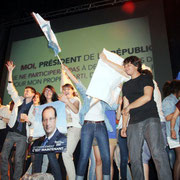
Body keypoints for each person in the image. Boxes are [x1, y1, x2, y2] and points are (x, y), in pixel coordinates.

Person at [62, 54, 124, 180]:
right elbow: (77, 82)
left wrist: (117, 90)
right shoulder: (87, 94)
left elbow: (112, 107)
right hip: (87, 126)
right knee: (84, 155)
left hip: (101, 126)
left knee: (106, 157)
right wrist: (67, 71)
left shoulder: (103, 99)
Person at [121, 56, 172, 180]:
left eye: (129, 65)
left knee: (158, 153)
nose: (126, 68)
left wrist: (128, 108)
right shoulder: (126, 85)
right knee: (134, 157)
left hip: (150, 119)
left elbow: (147, 97)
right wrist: (124, 126)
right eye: (125, 66)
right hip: (133, 123)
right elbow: (125, 107)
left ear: (136, 66)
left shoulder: (146, 78)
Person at [1, 61, 36, 180]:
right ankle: (5, 178)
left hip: (22, 136)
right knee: (3, 156)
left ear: (33, 94)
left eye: (28, 91)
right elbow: (11, 89)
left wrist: (29, 120)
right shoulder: (19, 100)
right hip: (11, 132)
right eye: (25, 90)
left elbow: (35, 123)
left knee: (19, 160)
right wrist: (10, 71)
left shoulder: (35, 107)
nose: (25, 91)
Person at [32, 85, 63, 180]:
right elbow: (37, 122)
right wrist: (35, 115)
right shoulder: (40, 107)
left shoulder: (58, 104)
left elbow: (60, 120)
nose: (48, 92)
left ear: (53, 93)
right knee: (37, 159)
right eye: (46, 91)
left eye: (50, 90)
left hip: (52, 136)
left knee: (52, 158)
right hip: (41, 136)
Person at [59, 83, 81, 180]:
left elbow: (75, 110)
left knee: (66, 154)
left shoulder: (75, 100)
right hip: (64, 130)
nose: (66, 91)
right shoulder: (61, 103)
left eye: (68, 89)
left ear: (72, 90)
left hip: (74, 128)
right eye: (64, 90)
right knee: (64, 156)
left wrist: (66, 101)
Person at [162, 80, 180, 180]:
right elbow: (167, 117)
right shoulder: (168, 100)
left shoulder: (175, 100)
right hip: (173, 133)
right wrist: (177, 112)